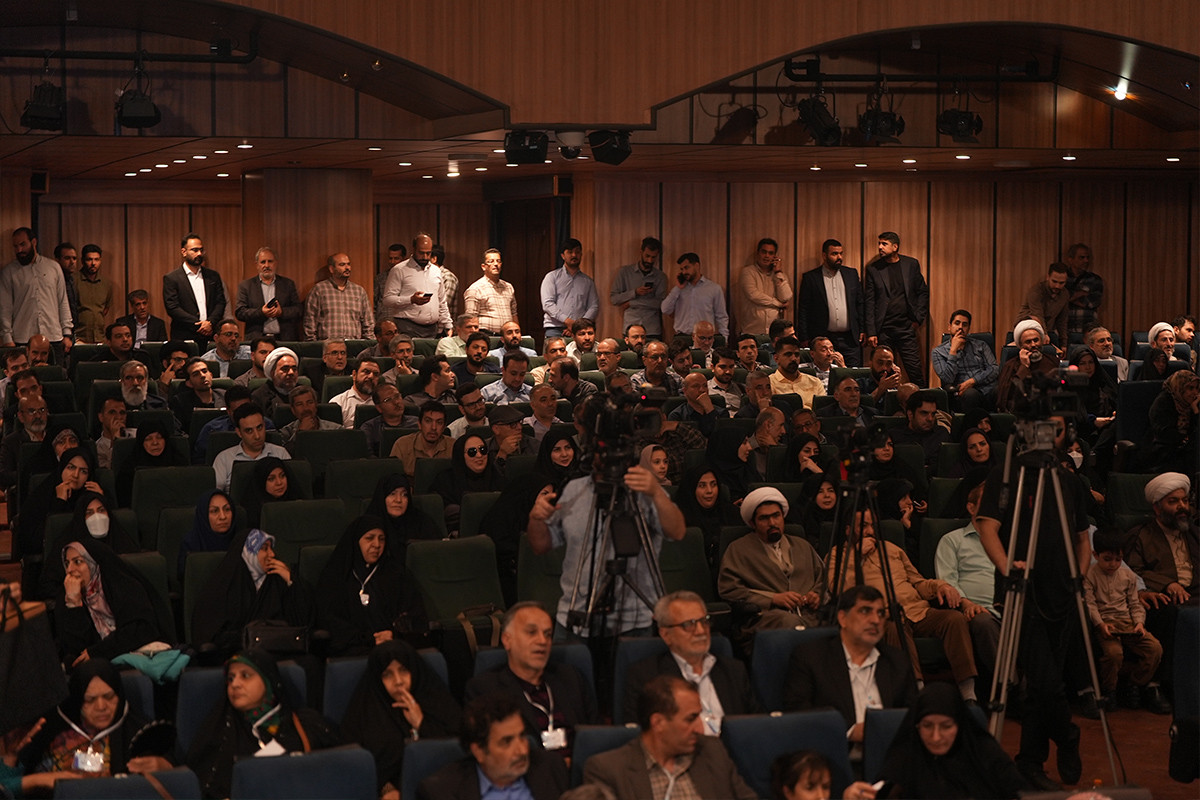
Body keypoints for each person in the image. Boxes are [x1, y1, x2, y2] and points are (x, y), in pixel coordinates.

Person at [973, 430, 1090, 790]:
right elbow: (986, 526)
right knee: (1045, 680)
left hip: (1062, 594)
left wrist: (1079, 577)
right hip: (1020, 592)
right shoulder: (1008, 474)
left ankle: (1030, 763)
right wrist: (1008, 568)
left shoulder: (1070, 482)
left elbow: (1082, 538)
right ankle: (1067, 735)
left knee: (1041, 685)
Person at [528, 422, 687, 638]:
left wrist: (657, 493)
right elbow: (540, 546)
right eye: (603, 449)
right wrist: (536, 519)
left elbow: (677, 531)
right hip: (578, 612)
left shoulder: (644, 489)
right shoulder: (574, 490)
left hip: (634, 617)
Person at [828, 508, 979, 703]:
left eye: (873, 525)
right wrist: (856, 557)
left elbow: (918, 582)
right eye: (863, 526)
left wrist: (941, 586)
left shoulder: (891, 549)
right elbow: (839, 590)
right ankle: (916, 694)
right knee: (895, 626)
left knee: (954, 619)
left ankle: (968, 694)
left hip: (917, 610)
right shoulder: (837, 555)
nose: (871, 531)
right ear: (849, 530)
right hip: (884, 616)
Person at [186, 649, 340, 799]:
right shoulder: (218, 732)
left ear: (268, 679)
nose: (235, 684)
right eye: (230, 678)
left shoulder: (307, 724)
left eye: (245, 676)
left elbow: (338, 776)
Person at [781, 586, 918, 748]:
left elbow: (914, 715)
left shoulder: (896, 661)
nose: (876, 620)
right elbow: (798, 713)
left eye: (881, 613)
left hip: (889, 755)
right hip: (831, 753)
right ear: (842, 618)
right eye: (865, 611)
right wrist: (849, 731)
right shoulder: (811, 657)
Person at [583, 675, 756, 800]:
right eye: (690, 719)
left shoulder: (711, 751)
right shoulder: (608, 770)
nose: (700, 728)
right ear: (658, 722)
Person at [464, 602, 597, 756]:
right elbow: (488, 753)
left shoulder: (570, 677)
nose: (542, 641)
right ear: (507, 640)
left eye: (547, 634)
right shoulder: (486, 689)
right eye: (532, 632)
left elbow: (595, 734)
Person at [341, 641, 462, 800]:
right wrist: (385, 788)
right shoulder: (365, 712)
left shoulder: (436, 702)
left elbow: (458, 750)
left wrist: (421, 723)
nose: (398, 681)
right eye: (388, 674)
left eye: (403, 670)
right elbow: (356, 764)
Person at [622, 591, 758, 730]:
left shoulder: (734, 670)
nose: (700, 631)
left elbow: (755, 725)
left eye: (704, 621)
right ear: (666, 634)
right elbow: (640, 734)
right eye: (688, 624)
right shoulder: (646, 676)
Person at [872, 682, 1029, 800]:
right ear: (916, 725)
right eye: (927, 726)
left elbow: (1020, 793)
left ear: (960, 725)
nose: (936, 737)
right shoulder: (905, 756)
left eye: (946, 727)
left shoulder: (984, 752)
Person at [19, 658, 171, 778]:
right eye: (90, 700)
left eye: (109, 697)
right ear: (77, 701)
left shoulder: (141, 733)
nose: (101, 706)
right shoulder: (50, 732)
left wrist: (165, 767)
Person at [417, 692, 568, 800]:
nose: (522, 750)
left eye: (522, 736)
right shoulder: (442, 792)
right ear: (479, 751)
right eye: (506, 742)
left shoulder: (551, 767)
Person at [190, 529, 315, 658]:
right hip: (236, 658)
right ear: (248, 553)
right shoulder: (223, 587)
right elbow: (209, 637)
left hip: (280, 656)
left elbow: (303, 624)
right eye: (264, 549)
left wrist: (290, 581)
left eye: (271, 548)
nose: (272, 554)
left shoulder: (277, 581)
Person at [718, 487, 826, 636]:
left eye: (776, 516)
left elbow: (823, 580)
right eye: (764, 518)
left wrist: (815, 595)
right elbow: (730, 590)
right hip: (766, 619)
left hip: (809, 615)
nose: (772, 523)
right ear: (753, 523)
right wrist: (773, 599)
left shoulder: (802, 545)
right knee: (789, 622)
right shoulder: (738, 549)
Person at [315, 516, 427, 656]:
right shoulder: (336, 575)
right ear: (356, 541)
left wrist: (393, 634)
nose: (377, 545)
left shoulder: (395, 573)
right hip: (352, 649)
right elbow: (330, 620)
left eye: (382, 539)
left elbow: (413, 613)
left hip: (392, 646)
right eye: (369, 538)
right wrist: (367, 639)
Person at [1084, 529, 1169, 713]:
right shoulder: (1090, 575)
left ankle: (1134, 684)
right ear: (1095, 555)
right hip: (1106, 623)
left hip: (1128, 623)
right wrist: (1100, 624)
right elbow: (1090, 604)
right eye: (1107, 559)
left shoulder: (1127, 575)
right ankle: (1110, 690)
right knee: (1114, 654)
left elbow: (1135, 603)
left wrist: (1139, 623)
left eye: (1118, 559)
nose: (1113, 564)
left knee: (1154, 649)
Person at [54, 537, 167, 668]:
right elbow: (76, 650)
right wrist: (74, 604)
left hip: (138, 657)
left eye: (78, 562)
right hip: (96, 668)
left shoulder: (121, 584)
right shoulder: (66, 597)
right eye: (67, 563)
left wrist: (99, 651)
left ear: (94, 563)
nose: (70, 569)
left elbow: (140, 631)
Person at [933, 481, 1001, 688]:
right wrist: (967, 604)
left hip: (1012, 609)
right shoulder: (952, 540)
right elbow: (947, 581)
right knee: (982, 623)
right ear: (971, 508)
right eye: (987, 502)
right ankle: (1009, 686)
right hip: (978, 611)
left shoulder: (1009, 540)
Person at [18, 448, 101, 587]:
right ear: (61, 468)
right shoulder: (43, 494)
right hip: (52, 567)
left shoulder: (91, 499)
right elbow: (32, 541)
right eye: (71, 468)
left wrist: (101, 500)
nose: (75, 475)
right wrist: (59, 503)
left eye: (83, 471)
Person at [1, 227, 74, 361]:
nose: (19, 250)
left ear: (33, 242)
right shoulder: (9, 272)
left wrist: (67, 333)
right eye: (16, 246)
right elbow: (5, 308)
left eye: (23, 244)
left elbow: (62, 301)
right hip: (23, 339)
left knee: (55, 373)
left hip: (53, 337)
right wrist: (7, 338)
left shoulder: (53, 268)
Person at [797, 239, 865, 366]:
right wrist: (804, 337)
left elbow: (859, 303)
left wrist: (862, 329)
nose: (839, 257)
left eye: (841, 253)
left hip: (850, 338)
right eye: (834, 254)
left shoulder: (851, 274)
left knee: (852, 373)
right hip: (823, 338)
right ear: (824, 255)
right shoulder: (811, 278)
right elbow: (804, 309)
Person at [381, 233, 452, 338]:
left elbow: (442, 301)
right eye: (421, 253)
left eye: (428, 253)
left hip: (433, 329)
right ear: (413, 249)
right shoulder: (399, 270)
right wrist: (411, 300)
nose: (425, 257)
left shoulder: (436, 271)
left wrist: (448, 325)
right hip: (407, 327)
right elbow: (387, 300)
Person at [162, 234, 226, 349]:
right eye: (195, 250)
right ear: (184, 252)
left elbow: (220, 302)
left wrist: (210, 322)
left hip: (211, 334)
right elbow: (172, 307)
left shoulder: (213, 276)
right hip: (185, 335)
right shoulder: (172, 278)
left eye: (201, 250)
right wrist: (199, 324)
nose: (199, 254)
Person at [431, 434, 503, 536]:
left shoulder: (496, 477)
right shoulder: (445, 481)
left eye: (482, 450)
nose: (479, 455)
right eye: (472, 452)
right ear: (461, 455)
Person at [364, 473, 443, 562]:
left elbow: (439, 553)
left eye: (404, 495)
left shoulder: (422, 521)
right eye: (392, 494)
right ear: (382, 497)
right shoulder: (369, 525)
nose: (398, 500)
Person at [212, 403, 291, 492]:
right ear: (239, 432)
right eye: (249, 431)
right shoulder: (224, 459)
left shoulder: (281, 454)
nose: (257, 436)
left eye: (259, 428)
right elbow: (215, 494)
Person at [931, 309, 999, 412]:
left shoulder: (981, 345)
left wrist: (973, 381)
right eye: (957, 323)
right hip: (962, 394)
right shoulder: (938, 352)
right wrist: (953, 351)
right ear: (949, 327)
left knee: (1003, 390)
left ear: (968, 329)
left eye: (965, 325)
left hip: (987, 389)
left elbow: (994, 369)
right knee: (971, 394)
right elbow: (947, 379)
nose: (960, 327)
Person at [235, 246, 303, 340]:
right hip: (256, 340)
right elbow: (240, 312)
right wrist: (261, 312)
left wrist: (281, 312)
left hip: (284, 339)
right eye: (263, 262)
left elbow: (298, 310)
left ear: (276, 263)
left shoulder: (288, 284)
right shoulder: (246, 286)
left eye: (270, 261)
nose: (266, 265)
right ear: (257, 265)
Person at [303, 252, 374, 340]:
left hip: (353, 344)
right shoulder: (319, 290)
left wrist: (370, 343)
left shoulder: (359, 291)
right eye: (342, 265)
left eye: (348, 264)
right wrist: (312, 344)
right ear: (331, 269)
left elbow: (368, 322)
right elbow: (310, 322)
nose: (347, 268)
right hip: (328, 344)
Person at [1139, 370, 1198, 474]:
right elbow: (1164, 433)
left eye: (1197, 388)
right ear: (1179, 387)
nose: (1195, 393)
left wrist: (1196, 410)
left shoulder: (1192, 404)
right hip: (1161, 452)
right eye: (1190, 388)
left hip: (1184, 450)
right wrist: (1187, 440)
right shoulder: (1163, 402)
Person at [661, 252, 729, 340]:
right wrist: (678, 288)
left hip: (705, 338)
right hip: (682, 337)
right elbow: (665, 309)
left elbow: (721, 316)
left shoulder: (714, 289)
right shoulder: (678, 290)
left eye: (686, 268)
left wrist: (724, 338)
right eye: (682, 269)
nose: (684, 272)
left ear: (697, 266)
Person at [115, 418, 183, 506]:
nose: (155, 442)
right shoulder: (129, 469)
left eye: (159, 437)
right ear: (141, 442)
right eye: (148, 439)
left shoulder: (179, 462)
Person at [540, 237, 599, 338]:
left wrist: (578, 325)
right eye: (570, 252)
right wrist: (568, 321)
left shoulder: (588, 281)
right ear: (563, 256)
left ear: (581, 255)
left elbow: (594, 306)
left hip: (581, 330)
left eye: (577, 252)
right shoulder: (552, 277)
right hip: (555, 329)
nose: (574, 255)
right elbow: (547, 304)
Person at [995, 320, 1057, 413]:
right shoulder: (1010, 365)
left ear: (1041, 341)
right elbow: (1004, 398)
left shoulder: (1053, 361)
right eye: (1028, 342)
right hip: (1022, 411)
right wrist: (1024, 366)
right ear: (1020, 345)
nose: (1033, 345)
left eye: (1036, 340)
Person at [610, 236, 667, 339]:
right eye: (647, 256)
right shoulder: (625, 272)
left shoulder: (660, 277)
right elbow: (614, 299)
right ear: (641, 252)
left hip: (652, 329)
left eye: (653, 257)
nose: (649, 260)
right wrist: (634, 292)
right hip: (630, 328)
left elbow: (661, 304)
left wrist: (631, 303)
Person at [734, 238, 791, 337]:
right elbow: (753, 295)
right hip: (752, 331)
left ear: (775, 256)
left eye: (770, 253)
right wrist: (778, 304)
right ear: (758, 253)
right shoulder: (748, 272)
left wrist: (778, 272)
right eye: (764, 252)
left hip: (774, 333)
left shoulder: (779, 275)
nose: (767, 256)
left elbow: (786, 296)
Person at [177, 489, 238, 578]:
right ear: (204, 515)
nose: (223, 516)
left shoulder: (242, 543)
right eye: (214, 511)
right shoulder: (191, 544)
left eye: (227, 509)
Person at [890, 389, 949, 475]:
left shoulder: (941, 434)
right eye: (924, 413)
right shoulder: (895, 436)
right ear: (910, 414)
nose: (930, 419)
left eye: (933, 414)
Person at [1015, 262, 1070, 353]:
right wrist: (1044, 334)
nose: (1057, 286)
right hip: (1027, 330)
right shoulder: (1036, 292)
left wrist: (1064, 343)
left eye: (1061, 283)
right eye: (1054, 281)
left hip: (1048, 331)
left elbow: (1062, 320)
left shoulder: (1064, 294)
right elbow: (1037, 315)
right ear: (1048, 277)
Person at [389, 401, 453, 478]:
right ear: (419, 424)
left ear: (444, 427)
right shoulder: (402, 445)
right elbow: (393, 479)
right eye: (428, 421)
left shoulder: (453, 446)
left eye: (439, 422)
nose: (434, 427)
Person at [463, 247, 518, 333]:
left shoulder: (508, 287)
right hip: (486, 335)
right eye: (491, 261)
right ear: (483, 267)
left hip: (508, 336)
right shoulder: (475, 289)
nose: (495, 264)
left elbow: (514, 314)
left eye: (498, 261)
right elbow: (470, 320)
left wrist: (517, 333)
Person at [277, 385, 341, 454]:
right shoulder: (285, 433)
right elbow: (285, 455)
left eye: (310, 402)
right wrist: (300, 433)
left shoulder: (337, 430)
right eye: (299, 404)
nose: (306, 408)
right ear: (293, 410)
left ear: (316, 405)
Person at [169, 357, 225, 433]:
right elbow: (178, 432)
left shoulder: (224, 396)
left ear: (211, 375)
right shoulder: (180, 402)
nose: (202, 375)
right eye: (196, 374)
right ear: (189, 383)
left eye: (204, 371)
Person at [242, 456, 301, 528]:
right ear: (261, 483)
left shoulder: (298, 503)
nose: (279, 483)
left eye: (282, 476)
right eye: (271, 479)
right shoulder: (252, 513)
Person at [330, 356, 380, 429]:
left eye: (376, 374)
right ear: (354, 375)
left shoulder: (382, 402)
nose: (371, 376)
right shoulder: (338, 402)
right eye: (366, 372)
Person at [1064, 243, 1102, 337]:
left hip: (1087, 329)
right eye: (1082, 257)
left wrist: (1069, 298)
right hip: (1064, 329)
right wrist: (1080, 294)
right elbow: (1058, 300)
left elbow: (1092, 303)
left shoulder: (1094, 279)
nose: (1086, 260)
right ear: (1070, 259)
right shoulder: (1062, 278)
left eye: (1087, 257)